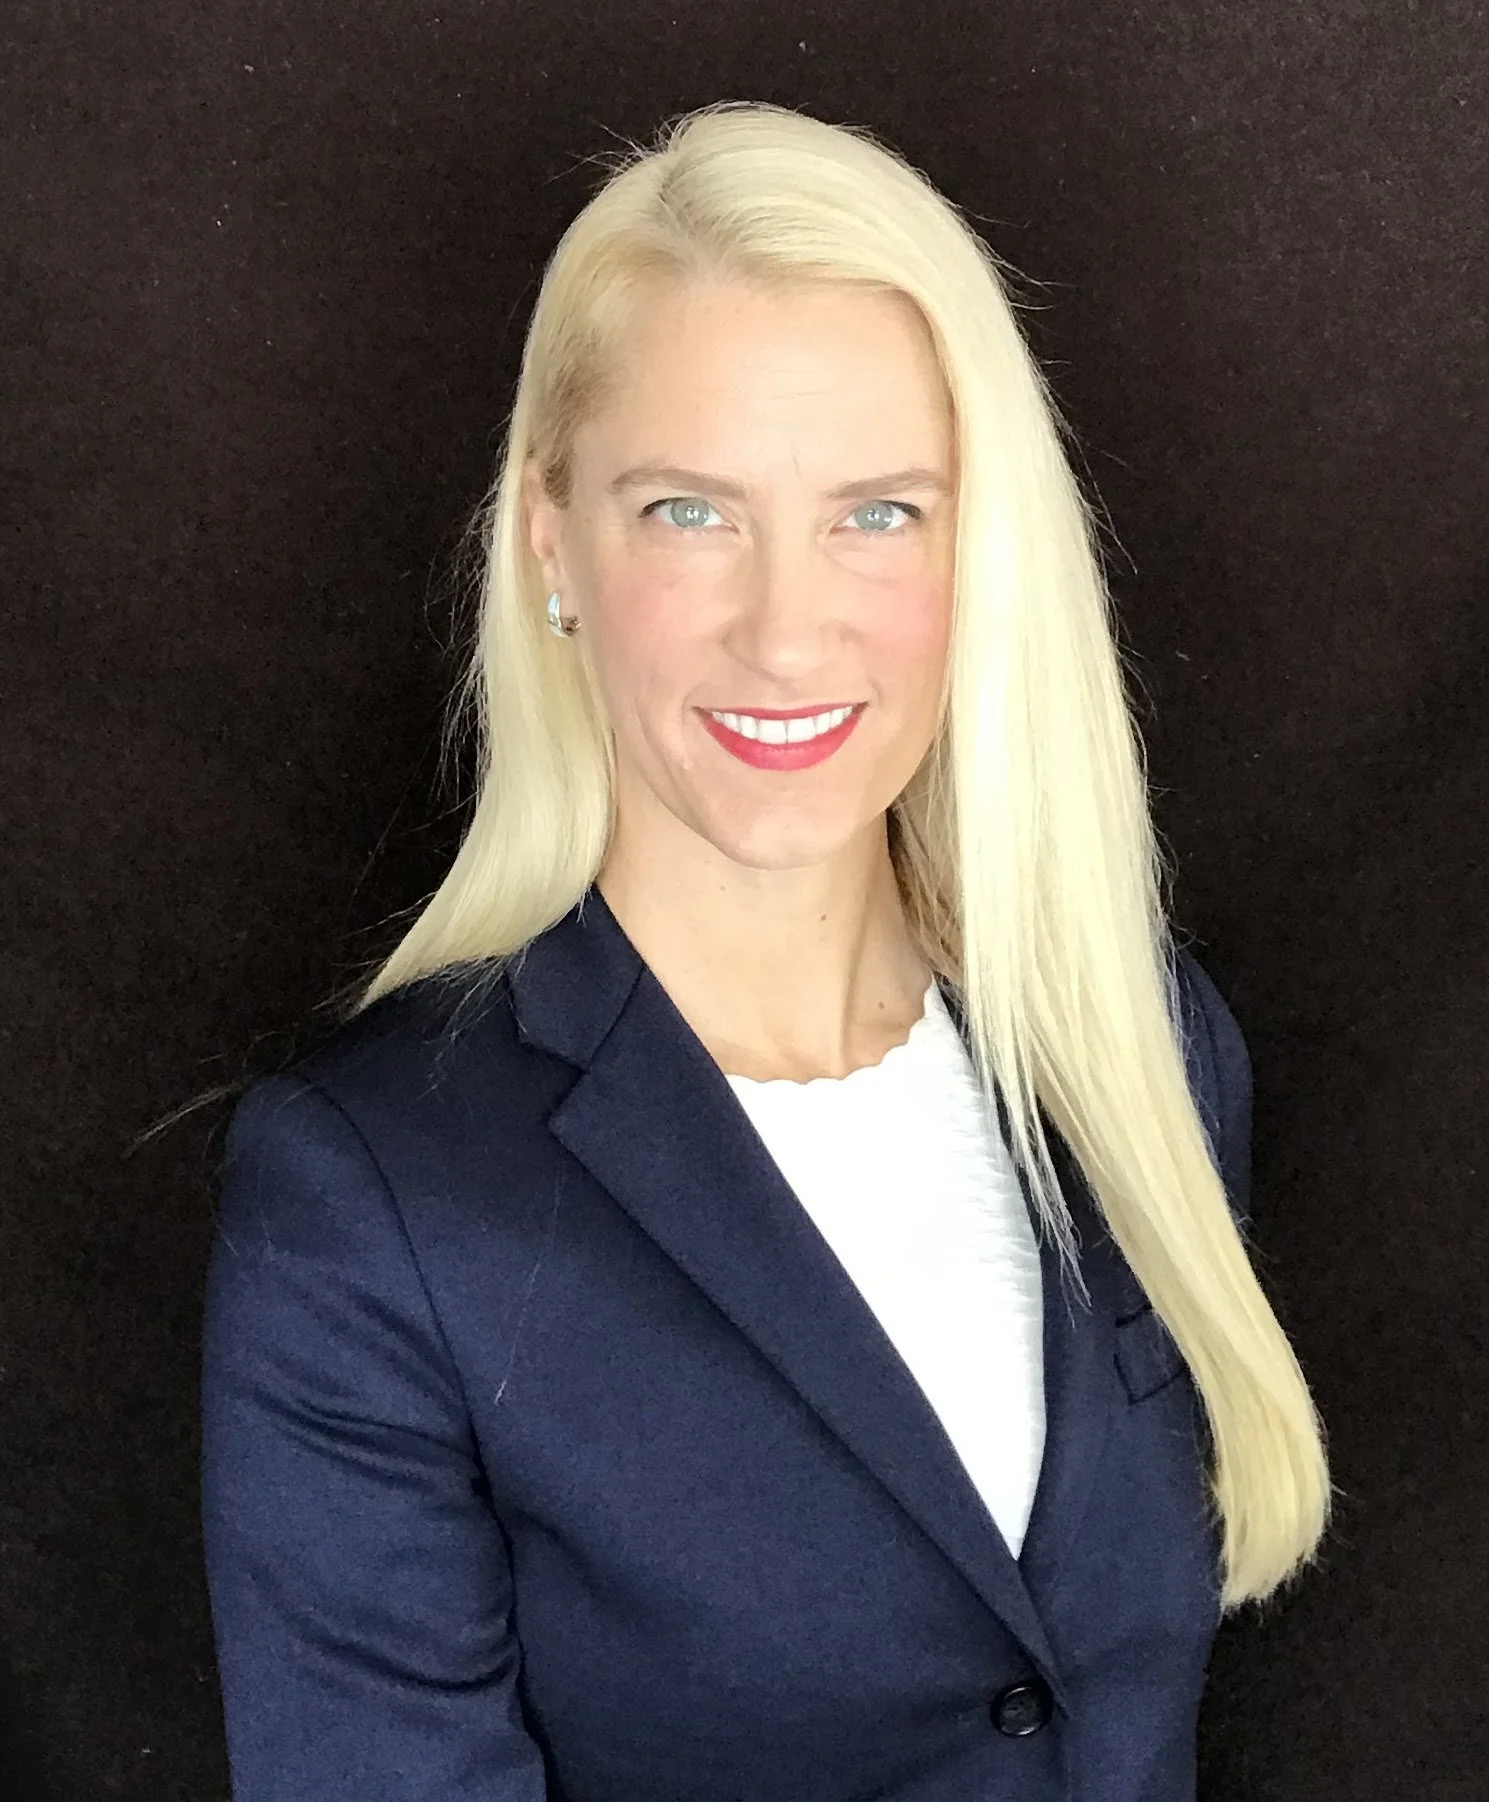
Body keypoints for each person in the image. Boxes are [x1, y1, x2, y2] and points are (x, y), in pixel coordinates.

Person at [200, 100, 1332, 1802]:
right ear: (552, 543)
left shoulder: (1142, 1048)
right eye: (689, 511)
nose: (786, 627)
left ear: (978, 552)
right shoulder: (372, 1200)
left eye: (877, 513)